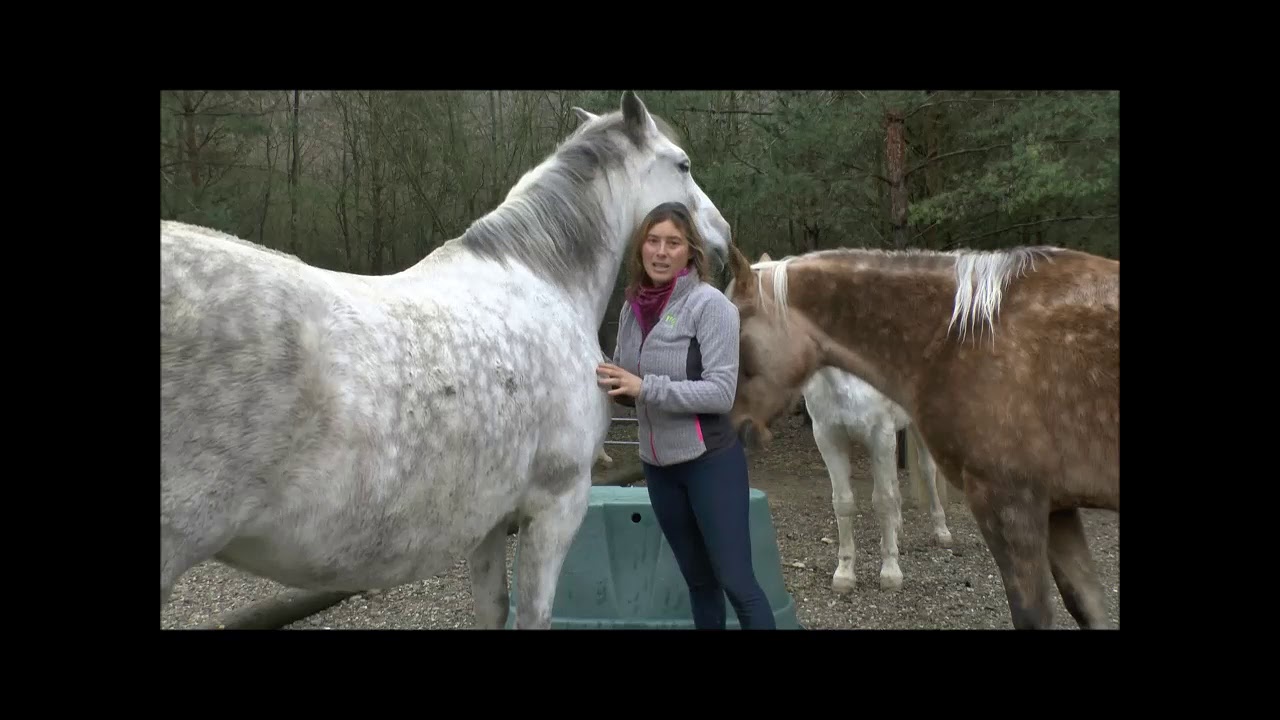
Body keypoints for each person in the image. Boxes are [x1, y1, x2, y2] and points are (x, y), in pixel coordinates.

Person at [596, 201, 776, 630]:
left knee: (736, 581)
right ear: (641, 250)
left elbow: (719, 392)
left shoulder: (709, 306)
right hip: (658, 468)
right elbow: (626, 383)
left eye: (672, 243)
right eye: (652, 241)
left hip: (709, 463)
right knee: (698, 582)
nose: (660, 251)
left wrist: (645, 387)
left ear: (690, 252)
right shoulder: (631, 309)